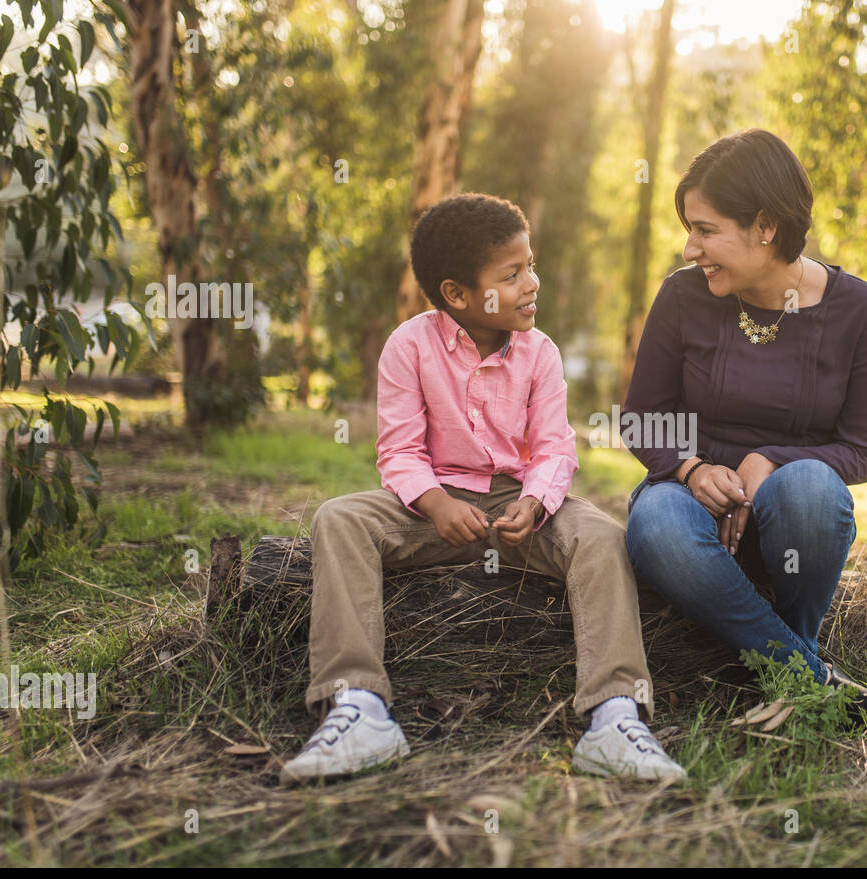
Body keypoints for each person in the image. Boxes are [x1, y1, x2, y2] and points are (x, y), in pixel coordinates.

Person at [282, 193, 686, 783]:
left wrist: (535, 502)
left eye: (531, 266)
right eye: (513, 273)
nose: (532, 284)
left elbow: (553, 447)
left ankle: (614, 715)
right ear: (457, 294)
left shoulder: (540, 353)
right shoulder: (408, 347)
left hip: (517, 506)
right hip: (429, 507)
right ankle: (359, 707)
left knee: (600, 535)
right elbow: (398, 451)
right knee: (339, 518)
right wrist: (436, 502)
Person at [621, 129, 867, 736]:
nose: (691, 247)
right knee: (657, 523)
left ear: (766, 226)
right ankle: (807, 676)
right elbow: (641, 418)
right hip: (687, 504)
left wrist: (768, 460)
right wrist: (693, 470)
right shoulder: (682, 296)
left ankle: (786, 655)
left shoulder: (862, 312)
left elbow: (861, 450)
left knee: (812, 490)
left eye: (705, 228)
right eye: (688, 228)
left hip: (789, 523)